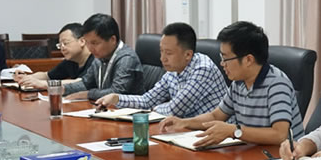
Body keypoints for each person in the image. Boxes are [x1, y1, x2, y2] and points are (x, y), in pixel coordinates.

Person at [159, 21, 304, 148]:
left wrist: (234, 131)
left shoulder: (277, 84)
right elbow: (216, 115)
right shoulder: (238, 83)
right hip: (250, 152)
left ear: (248, 60)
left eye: (226, 58)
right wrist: (184, 123)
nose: (222, 64)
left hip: (281, 159)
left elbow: (279, 135)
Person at [95, 22, 227, 117]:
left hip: (215, 135)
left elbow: (176, 109)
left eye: (168, 53)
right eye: (161, 51)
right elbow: (147, 100)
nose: (162, 58)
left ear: (188, 54)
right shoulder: (173, 71)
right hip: (186, 130)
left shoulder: (203, 69)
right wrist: (116, 98)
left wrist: (154, 108)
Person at [64, 13, 144, 101]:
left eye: (94, 43)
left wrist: (88, 94)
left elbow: (116, 92)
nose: (90, 48)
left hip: (128, 108)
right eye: (87, 42)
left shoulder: (127, 59)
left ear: (112, 40)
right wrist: (63, 89)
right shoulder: (99, 57)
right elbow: (86, 83)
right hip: (105, 106)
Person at [13, 23, 94, 89]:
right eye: (60, 45)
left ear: (82, 41)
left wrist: (43, 84)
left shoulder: (95, 59)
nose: (62, 48)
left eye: (65, 43)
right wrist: (26, 78)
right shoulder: (70, 61)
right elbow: (47, 76)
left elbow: (81, 82)